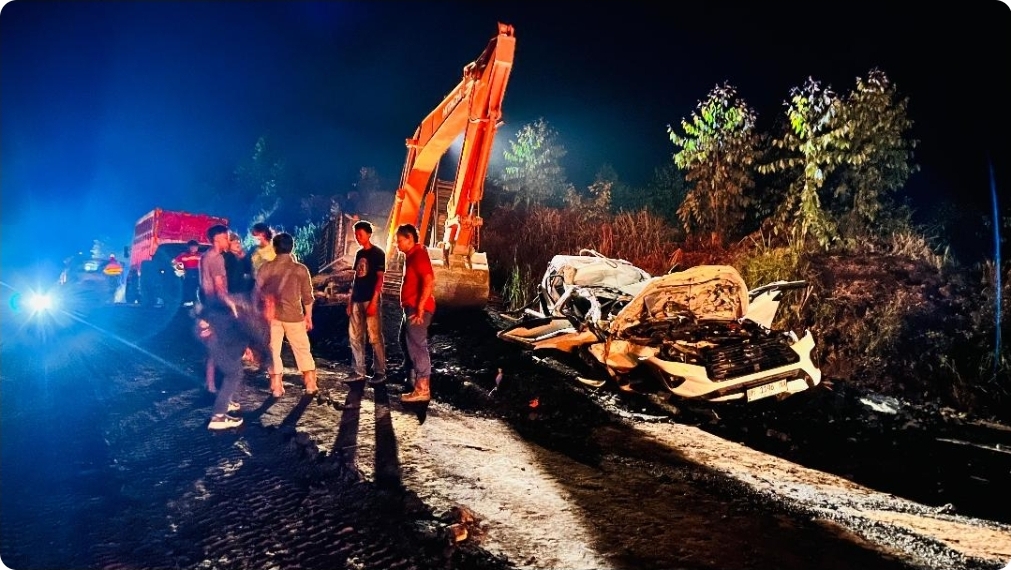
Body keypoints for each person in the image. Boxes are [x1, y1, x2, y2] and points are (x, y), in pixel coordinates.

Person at [199, 224, 249, 430]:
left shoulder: (205, 256)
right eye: (226, 237)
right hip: (220, 311)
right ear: (218, 239)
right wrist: (234, 308)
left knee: (221, 355)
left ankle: (224, 399)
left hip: (210, 310)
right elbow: (220, 290)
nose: (229, 240)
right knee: (233, 367)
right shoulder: (217, 259)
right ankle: (218, 417)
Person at [255, 232, 317, 398]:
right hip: (295, 316)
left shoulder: (266, 268)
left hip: (272, 316)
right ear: (291, 248)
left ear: (275, 248)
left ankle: (276, 386)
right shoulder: (300, 269)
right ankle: (310, 383)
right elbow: (307, 296)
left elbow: (256, 291)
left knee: (273, 349)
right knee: (302, 349)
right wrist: (308, 316)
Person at [395, 223, 435, 403]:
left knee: (417, 346)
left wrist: (420, 307)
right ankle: (411, 378)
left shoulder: (419, 255)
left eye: (399, 240)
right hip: (411, 307)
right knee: (405, 340)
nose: (397, 244)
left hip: (418, 309)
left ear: (409, 239)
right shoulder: (412, 256)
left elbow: (429, 279)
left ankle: (422, 389)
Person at [345, 220, 387, 384]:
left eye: (360, 234)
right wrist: (350, 300)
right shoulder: (359, 254)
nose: (357, 237)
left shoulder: (378, 254)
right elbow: (356, 278)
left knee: (374, 337)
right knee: (355, 336)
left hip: (370, 299)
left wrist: (374, 301)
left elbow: (380, 279)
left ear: (369, 234)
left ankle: (380, 371)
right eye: (356, 235)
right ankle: (359, 370)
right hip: (357, 299)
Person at [173, 240, 202, 306]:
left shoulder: (201, 255)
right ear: (188, 247)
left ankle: (198, 301)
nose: (193, 248)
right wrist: (181, 272)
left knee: (199, 288)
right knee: (189, 287)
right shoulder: (183, 255)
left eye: (195, 247)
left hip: (199, 274)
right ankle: (188, 301)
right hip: (188, 274)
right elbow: (174, 262)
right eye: (191, 247)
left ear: (197, 247)